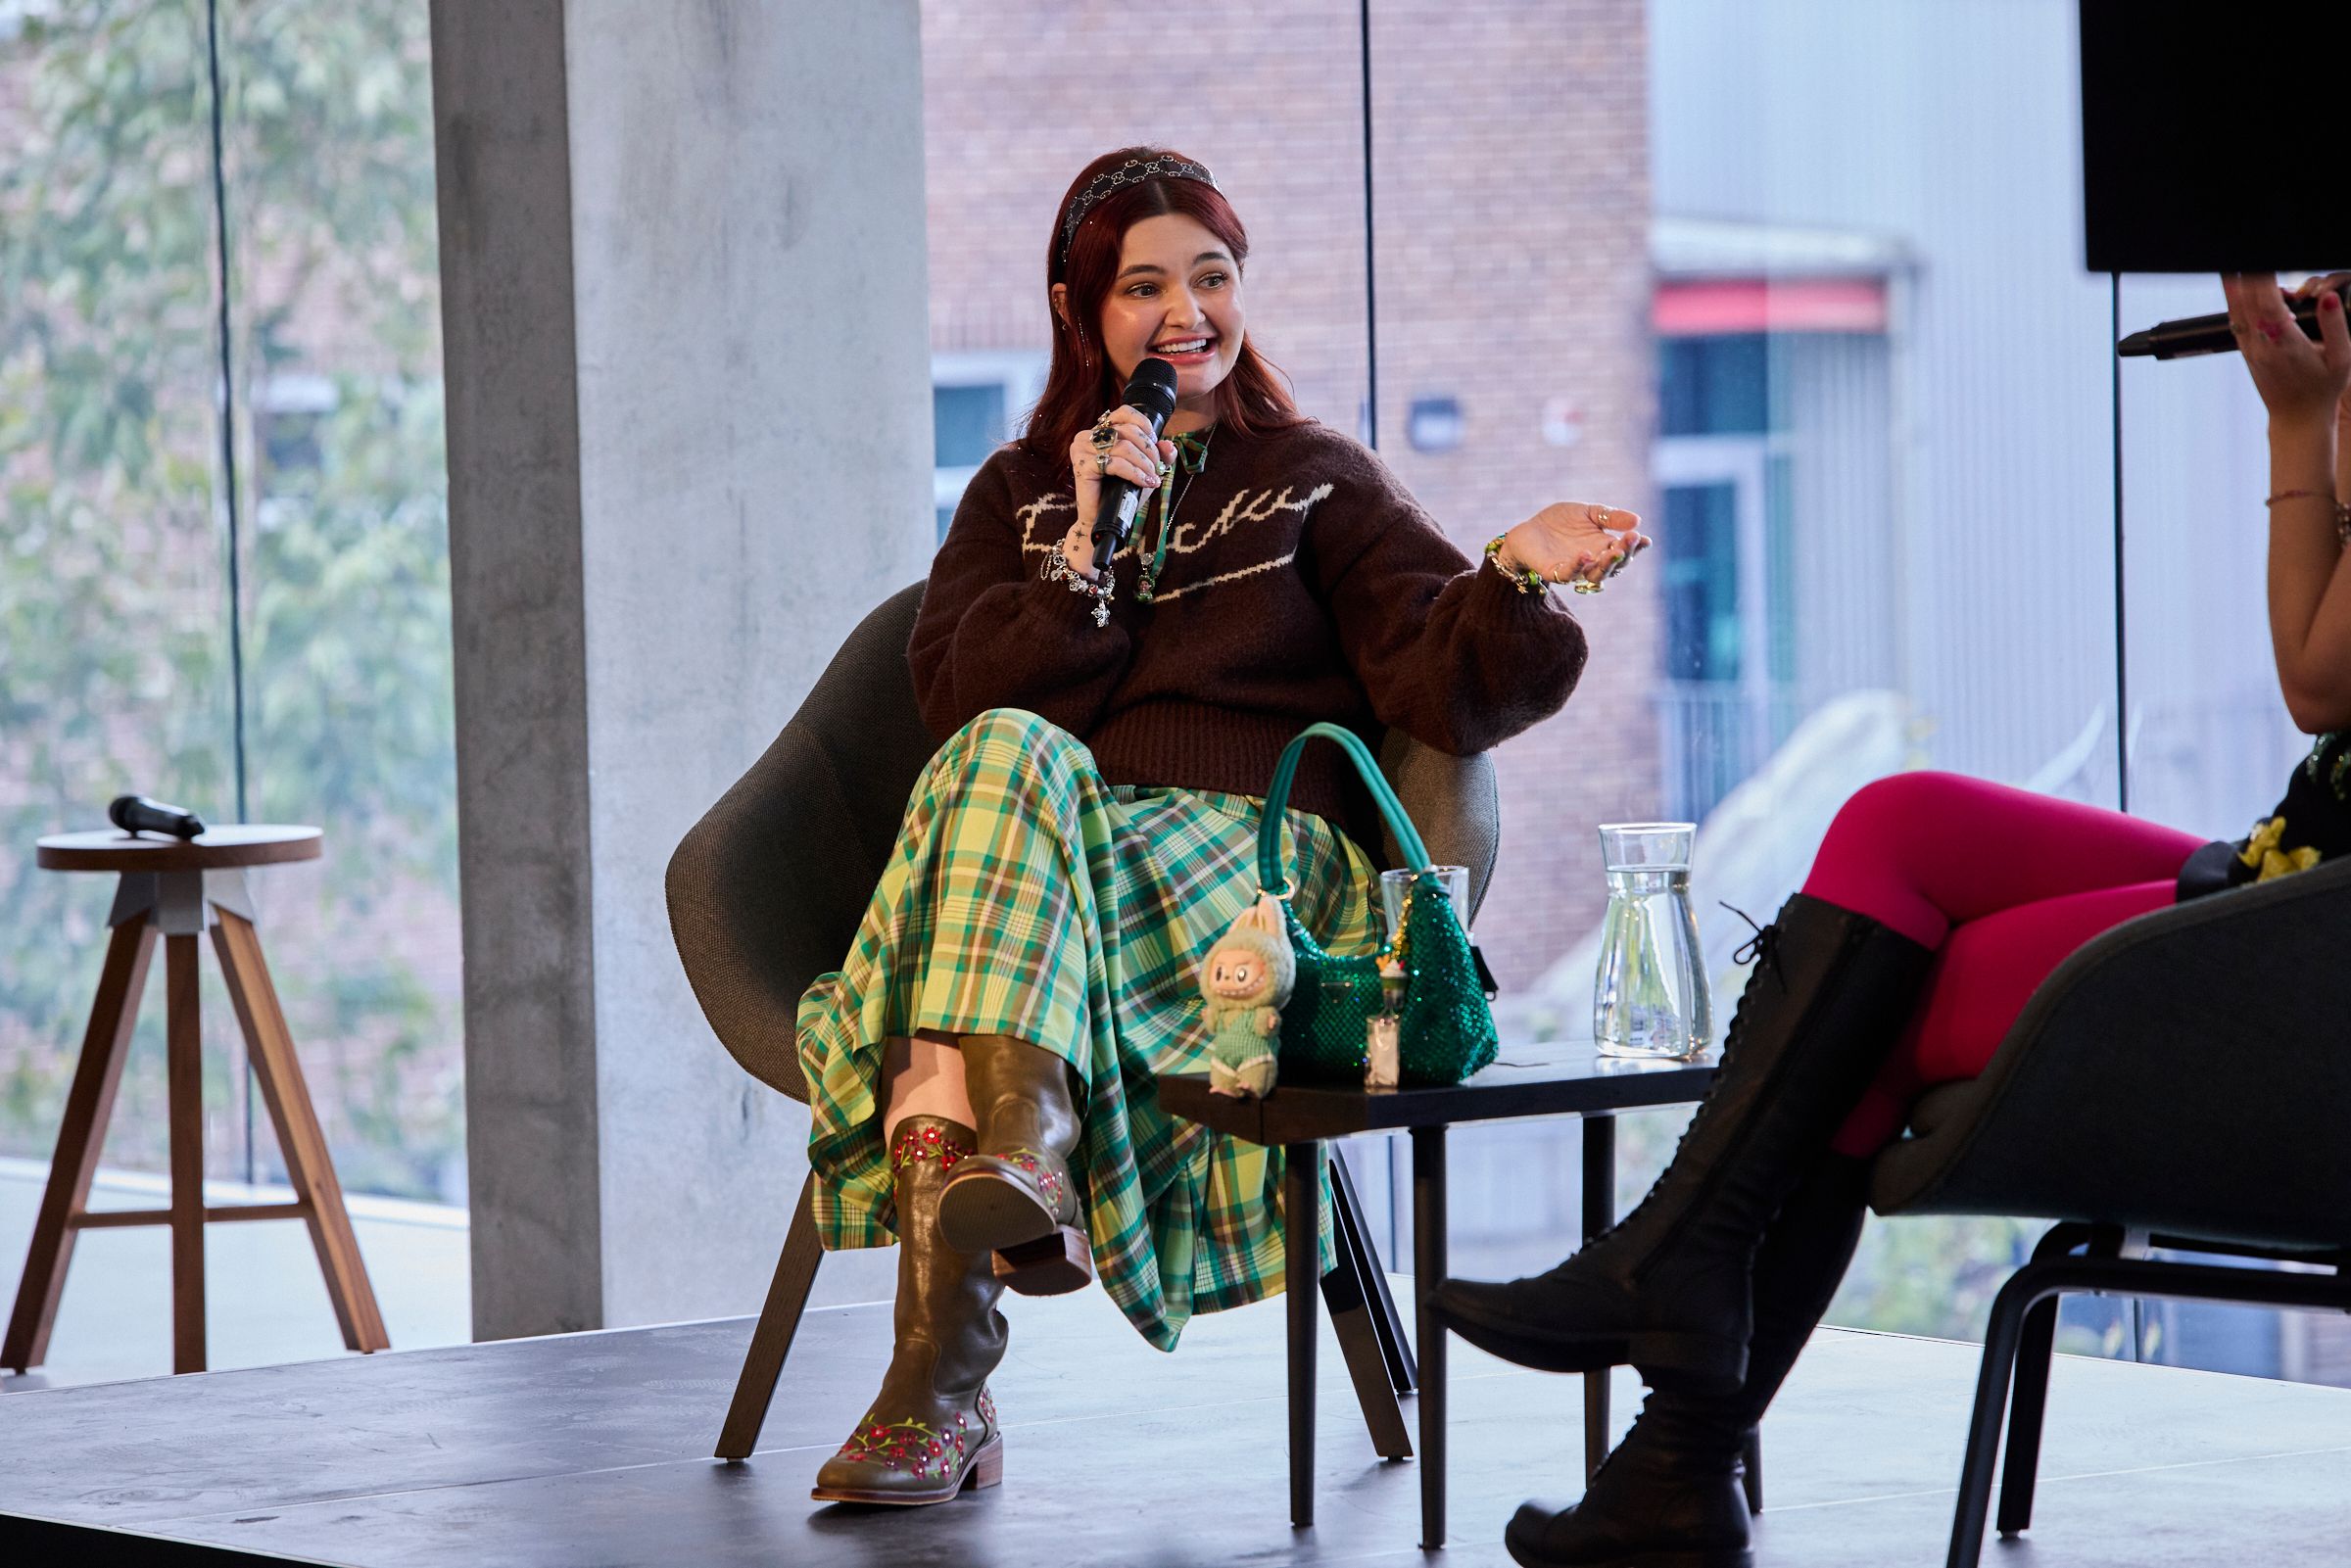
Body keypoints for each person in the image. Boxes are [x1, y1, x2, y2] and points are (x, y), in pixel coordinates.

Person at [1434, 267, 2351, 1568]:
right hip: (2291, 874)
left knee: (1874, 995)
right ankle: (1673, 1351)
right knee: (1902, 828)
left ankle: (1679, 1411)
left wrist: (2292, 423)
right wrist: (2313, 408)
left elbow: (2318, 678)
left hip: (2316, 954)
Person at [793, 146, 1652, 1507]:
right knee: (1004, 756)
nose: (1187, 311)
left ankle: (943, 1369)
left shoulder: (1315, 476)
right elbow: (958, 707)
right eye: (1145, 285)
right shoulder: (1018, 494)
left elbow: (1436, 677)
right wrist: (1085, 544)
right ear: (1085, 314)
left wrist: (1516, 575)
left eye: (1213, 275)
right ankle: (1024, 1138)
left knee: (959, 921)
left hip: (1252, 872)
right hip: (1054, 866)